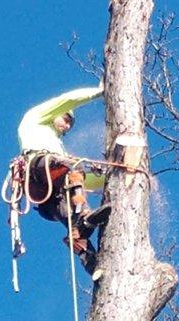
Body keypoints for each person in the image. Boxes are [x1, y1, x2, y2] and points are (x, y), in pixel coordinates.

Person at [17, 83, 111, 275]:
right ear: (57, 113)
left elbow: (81, 180)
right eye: (66, 119)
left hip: (49, 194)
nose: (67, 126)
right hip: (38, 166)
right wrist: (98, 92)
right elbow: (67, 100)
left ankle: (92, 263)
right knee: (70, 166)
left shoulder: (58, 147)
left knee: (72, 222)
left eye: (70, 124)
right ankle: (84, 215)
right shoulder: (35, 120)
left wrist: (109, 177)